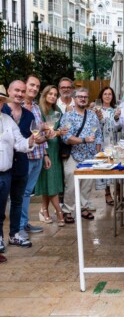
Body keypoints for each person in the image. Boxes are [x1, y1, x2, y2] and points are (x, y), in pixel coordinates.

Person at [1, 81, 38, 249]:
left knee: (16, 202)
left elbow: (21, 143)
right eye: (17, 90)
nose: (20, 94)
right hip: (4, 169)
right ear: (10, 91)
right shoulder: (6, 113)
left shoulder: (10, 119)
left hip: (13, 167)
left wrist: (34, 139)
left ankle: (14, 234)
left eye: (0, 100)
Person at [60, 88, 102, 222]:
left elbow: (98, 134)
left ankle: (83, 207)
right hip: (74, 154)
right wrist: (84, 140)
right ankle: (68, 210)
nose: (83, 99)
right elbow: (66, 137)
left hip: (90, 155)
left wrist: (97, 153)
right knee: (71, 184)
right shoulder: (68, 116)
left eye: (85, 97)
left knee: (87, 184)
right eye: (80, 97)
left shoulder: (92, 115)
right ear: (74, 98)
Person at [20, 75, 51, 236]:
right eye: (32, 85)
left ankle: (24, 223)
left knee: (27, 192)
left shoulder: (37, 108)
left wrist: (45, 154)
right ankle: (18, 227)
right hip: (24, 156)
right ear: (25, 85)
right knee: (20, 192)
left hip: (38, 155)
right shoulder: (16, 107)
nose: (34, 88)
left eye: (37, 86)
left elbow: (40, 132)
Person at [35, 85, 67, 227]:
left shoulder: (57, 110)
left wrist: (60, 132)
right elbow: (37, 132)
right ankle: (59, 212)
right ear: (44, 94)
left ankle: (44, 210)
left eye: (55, 94)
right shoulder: (39, 110)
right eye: (50, 94)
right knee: (51, 181)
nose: (53, 96)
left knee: (50, 181)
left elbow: (59, 130)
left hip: (56, 148)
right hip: (44, 149)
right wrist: (45, 154)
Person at [94, 86, 119, 206]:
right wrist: (98, 118)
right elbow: (94, 127)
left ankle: (117, 191)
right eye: (105, 94)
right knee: (104, 167)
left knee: (115, 166)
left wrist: (117, 118)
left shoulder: (116, 110)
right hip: (102, 142)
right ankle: (107, 193)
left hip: (114, 142)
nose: (108, 96)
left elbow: (119, 127)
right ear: (101, 96)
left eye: (110, 94)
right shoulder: (96, 110)